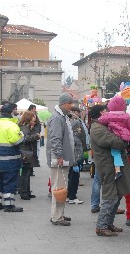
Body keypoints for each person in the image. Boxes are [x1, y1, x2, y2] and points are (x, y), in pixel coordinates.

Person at [90, 102, 130, 237]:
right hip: (107, 166)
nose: (109, 113)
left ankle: (109, 223)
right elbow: (115, 141)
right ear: (100, 113)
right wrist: (125, 140)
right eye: (106, 111)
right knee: (110, 196)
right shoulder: (97, 128)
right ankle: (101, 226)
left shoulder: (104, 126)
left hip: (114, 165)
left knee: (117, 195)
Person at [0, 104, 24, 212]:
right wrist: (22, 135)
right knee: (10, 182)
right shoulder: (12, 125)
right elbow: (18, 141)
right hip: (10, 159)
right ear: (11, 112)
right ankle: (9, 205)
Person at [46, 93, 76, 226]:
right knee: (59, 188)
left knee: (61, 187)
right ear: (64, 103)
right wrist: (58, 155)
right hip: (58, 159)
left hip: (61, 158)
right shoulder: (58, 118)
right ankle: (57, 217)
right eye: (70, 103)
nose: (72, 106)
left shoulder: (61, 117)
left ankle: (59, 214)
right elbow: (55, 138)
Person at [97, 96, 130, 182]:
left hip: (114, 135)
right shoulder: (126, 116)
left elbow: (100, 121)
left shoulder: (108, 115)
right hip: (124, 136)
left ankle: (118, 170)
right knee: (121, 151)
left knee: (115, 152)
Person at [17, 111, 40, 200]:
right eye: (33, 118)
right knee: (25, 174)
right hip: (25, 152)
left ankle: (27, 191)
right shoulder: (24, 128)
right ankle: (24, 193)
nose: (34, 120)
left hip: (27, 152)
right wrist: (35, 136)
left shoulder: (26, 127)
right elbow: (25, 139)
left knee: (26, 173)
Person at [66, 106, 86, 204]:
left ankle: (69, 195)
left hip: (73, 156)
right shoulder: (76, 124)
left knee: (70, 176)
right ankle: (72, 196)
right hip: (75, 157)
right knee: (74, 177)